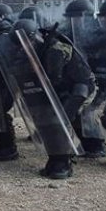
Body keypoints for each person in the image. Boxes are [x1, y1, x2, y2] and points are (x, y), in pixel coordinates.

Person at [14, 19, 97, 179]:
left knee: (59, 119)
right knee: (49, 117)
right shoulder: (38, 48)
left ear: (34, 37)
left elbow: (55, 78)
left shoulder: (55, 50)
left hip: (80, 88)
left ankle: (62, 163)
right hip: (61, 88)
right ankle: (57, 157)